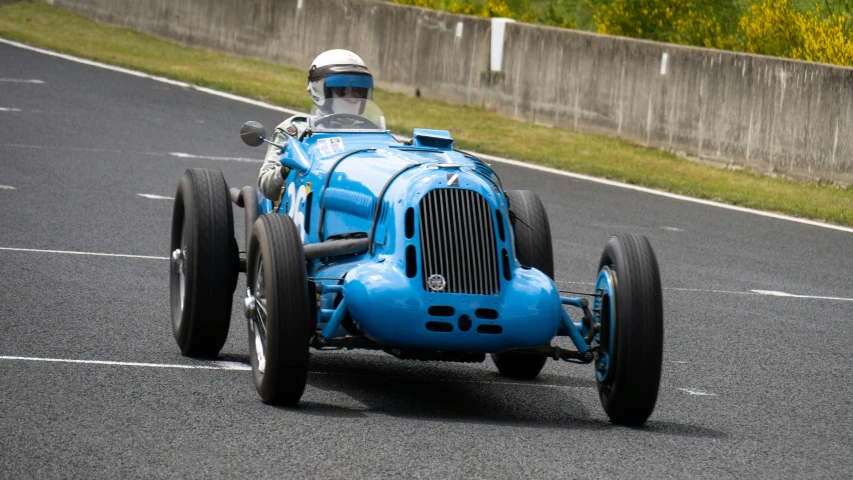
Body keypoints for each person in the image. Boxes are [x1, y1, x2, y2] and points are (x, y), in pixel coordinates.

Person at [257, 49, 375, 201]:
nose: (352, 97)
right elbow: (266, 186)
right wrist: (287, 165)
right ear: (319, 90)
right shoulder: (295, 130)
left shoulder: (373, 135)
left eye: (358, 90)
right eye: (343, 90)